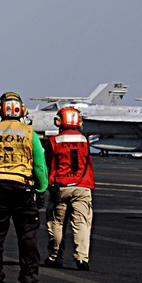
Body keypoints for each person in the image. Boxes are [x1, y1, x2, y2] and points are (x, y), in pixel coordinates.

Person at [0, 92, 48, 283]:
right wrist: (41, 190)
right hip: (23, 189)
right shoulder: (30, 133)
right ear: (22, 110)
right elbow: (39, 166)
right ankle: (29, 278)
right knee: (28, 236)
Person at [43, 107, 95, 271]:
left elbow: (46, 163)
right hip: (82, 187)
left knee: (56, 223)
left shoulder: (54, 141)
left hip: (60, 187)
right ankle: (82, 258)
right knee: (82, 223)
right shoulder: (85, 140)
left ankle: (55, 256)